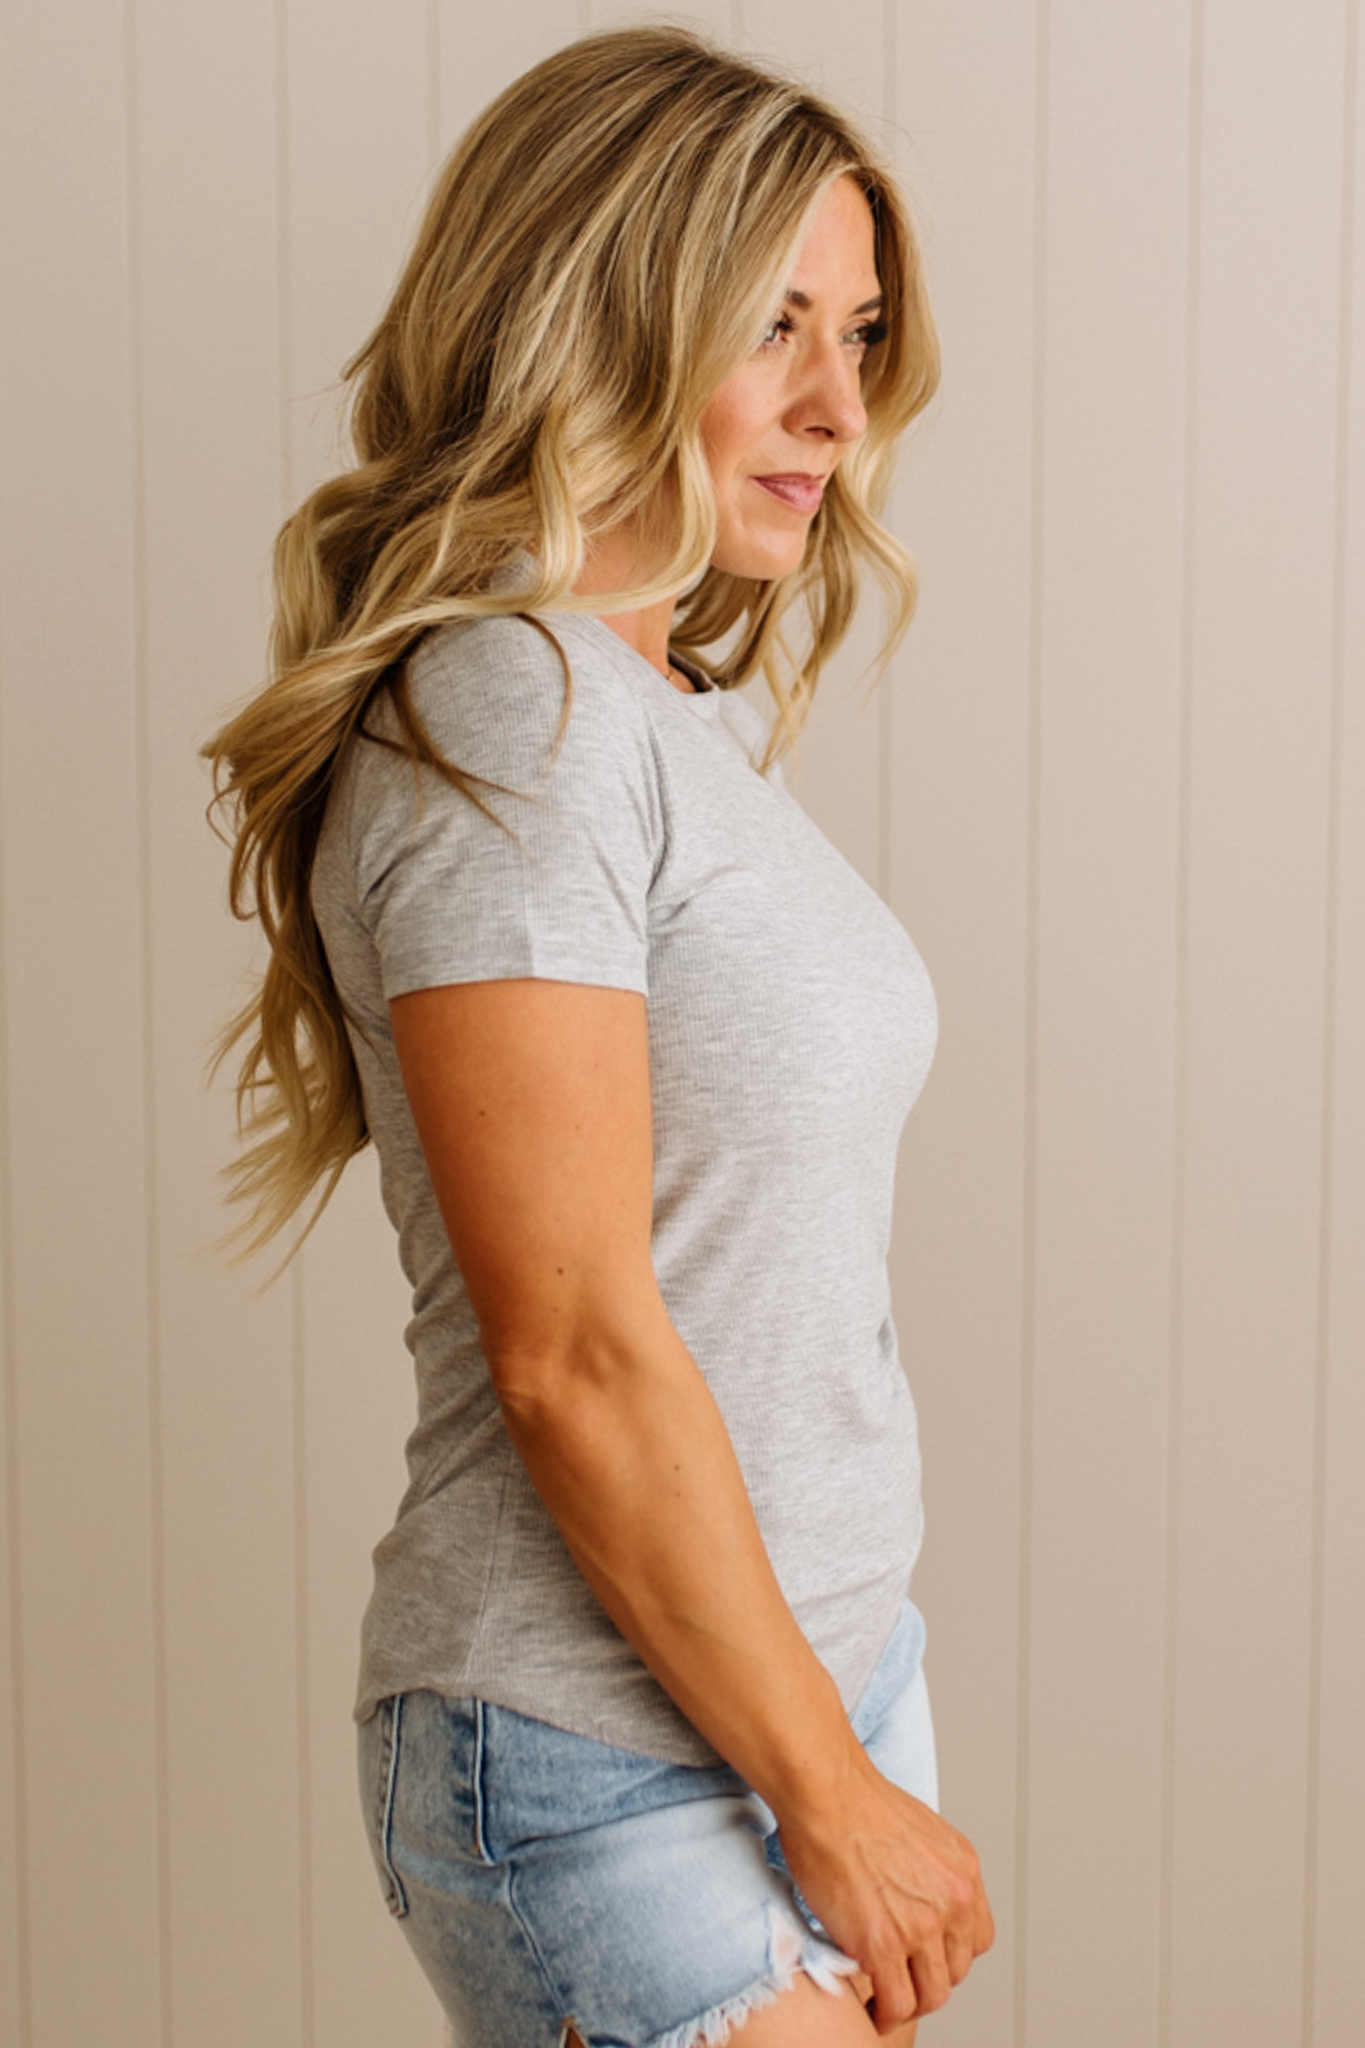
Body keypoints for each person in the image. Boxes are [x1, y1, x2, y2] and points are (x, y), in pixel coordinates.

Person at [206, 26, 992, 2048]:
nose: (838, 403)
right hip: (606, 1745)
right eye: (774, 329)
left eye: (864, 330)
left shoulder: (667, 719)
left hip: (802, 1683)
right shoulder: (509, 708)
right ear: (601, 323)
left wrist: (842, 1730)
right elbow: (568, 1346)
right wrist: (828, 1796)